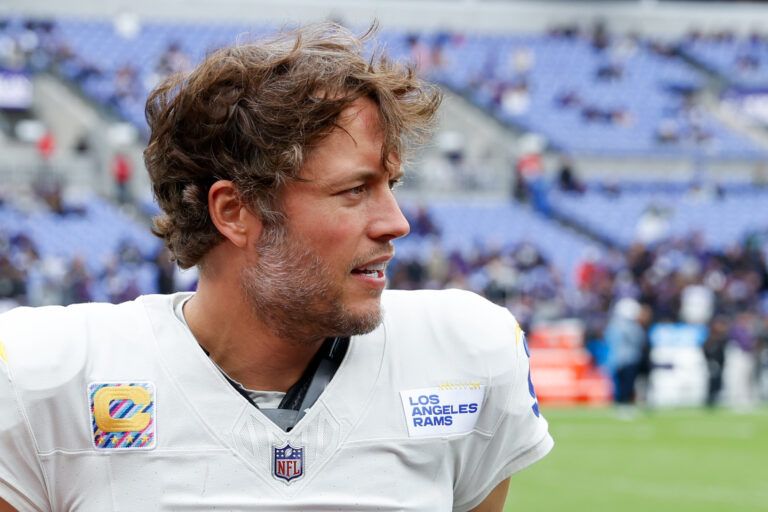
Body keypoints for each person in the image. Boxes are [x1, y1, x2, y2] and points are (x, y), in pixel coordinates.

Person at [0, 23, 552, 511]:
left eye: (392, 185)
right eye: (355, 189)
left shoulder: (464, 350)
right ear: (234, 211)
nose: (397, 223)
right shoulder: (48, 379)